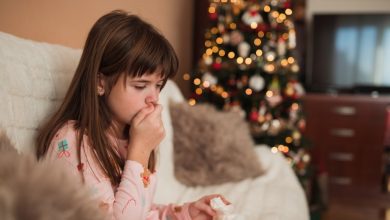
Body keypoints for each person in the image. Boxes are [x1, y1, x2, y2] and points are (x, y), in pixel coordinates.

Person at [36, 10, 228, 220]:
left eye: (158, 86)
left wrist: (185, 214)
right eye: (141, 85)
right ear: (100, 82)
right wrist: (141, 151)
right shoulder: (73, 140)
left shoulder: (127, 137)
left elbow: (139, 210)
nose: (153, 98)